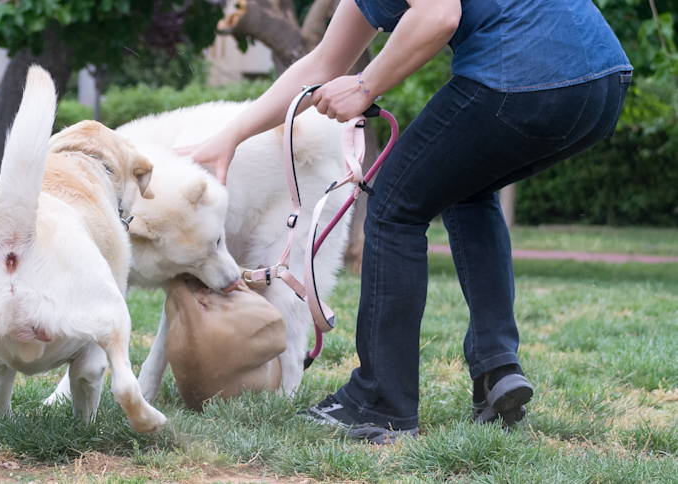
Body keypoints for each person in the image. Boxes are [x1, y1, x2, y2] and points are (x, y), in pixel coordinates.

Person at [176, 0, 632, 444]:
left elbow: (438, 13)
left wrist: (364, 85)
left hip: (521, 70)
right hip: (602, 80)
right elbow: (321, 62)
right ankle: (497, 368)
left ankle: (379, 403)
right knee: (465, 190)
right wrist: (229, 138)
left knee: (394, 203)